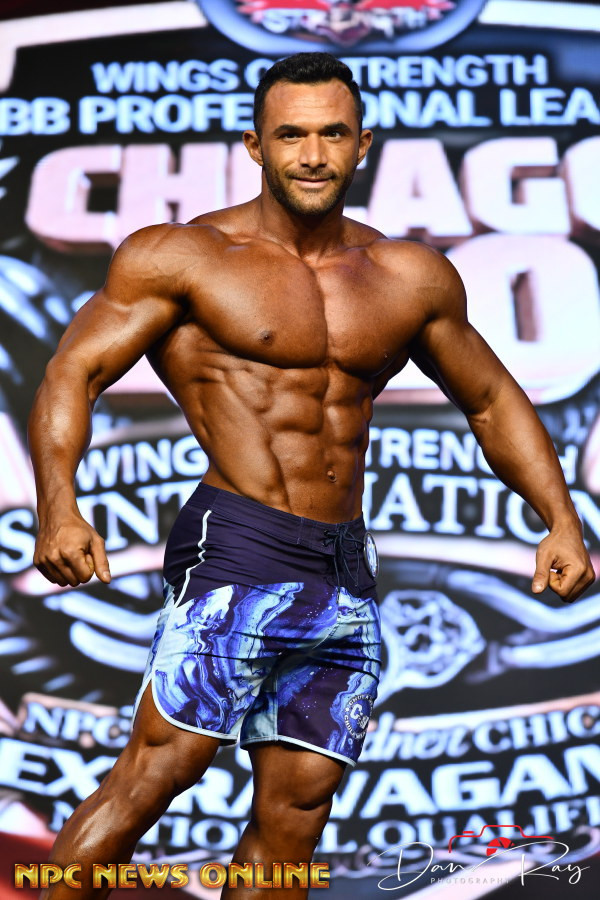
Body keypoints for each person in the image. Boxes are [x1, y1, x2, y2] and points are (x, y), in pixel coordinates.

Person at [29, 52, 594, 898]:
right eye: (291, 135)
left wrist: (560, 518)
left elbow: (488, 399)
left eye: (332, 134)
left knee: (297, 808)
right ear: (255, 146)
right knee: (161, 767)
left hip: (344, 566)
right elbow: (73, 372)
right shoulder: (184, 257)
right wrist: (60, 507)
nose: (313, 155)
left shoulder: (407, 275)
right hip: (239, 541)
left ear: (362, 144)